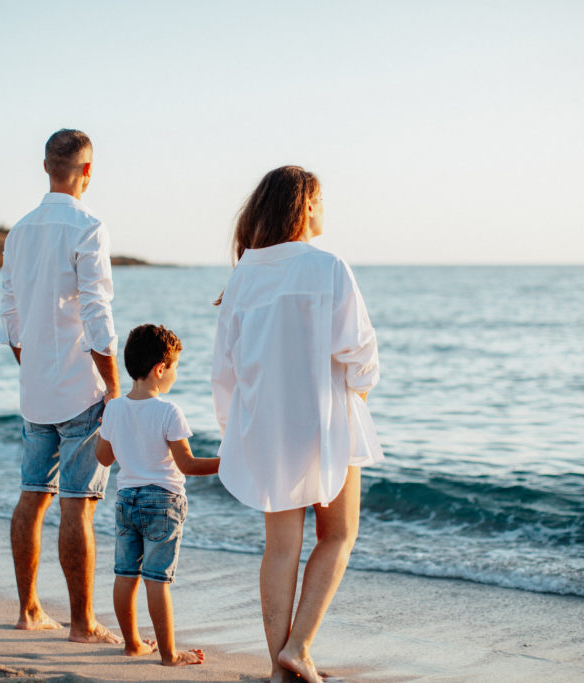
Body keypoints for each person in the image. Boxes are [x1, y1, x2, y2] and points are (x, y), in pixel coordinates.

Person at [211, 166, 382, 683]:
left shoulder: (243, 275)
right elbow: (362, 356)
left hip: (266, 426)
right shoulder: (328, 266)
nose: (325, 209)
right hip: (328, 420)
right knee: (339, 535)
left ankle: (278, 666)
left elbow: (226, 370)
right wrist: (358, 391)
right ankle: (300, 646)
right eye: (322, 200)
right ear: (306, 205)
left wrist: (233, 431)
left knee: (280, 548)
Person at [0, 128, 122, 644]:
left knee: (32, 496)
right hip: (80, 390)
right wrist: (114, 387)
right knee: (77, 504)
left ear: (47, 167)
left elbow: (10, 313)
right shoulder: (88, 226)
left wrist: (31, 365)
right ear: (87, 172)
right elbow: (96, 310)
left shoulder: (19, 231)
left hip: (37, 390)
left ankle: (28, 611)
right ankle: (82, 624)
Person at [95, 324, 220, 666]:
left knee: (125, 573)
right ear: (159, 369)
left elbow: (103, 458)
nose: (175, 374)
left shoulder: (116, 409)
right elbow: (188, 465)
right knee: (157, 579)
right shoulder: (168, 411)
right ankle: (168, 655)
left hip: (126, 501)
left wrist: (113, 426)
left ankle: (132, 643)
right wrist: (228, 463)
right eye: (175, 366)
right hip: (162, 503)